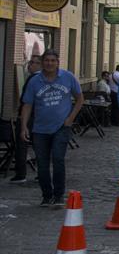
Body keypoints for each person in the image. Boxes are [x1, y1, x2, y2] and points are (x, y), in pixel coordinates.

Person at [20, 50, 84, 207]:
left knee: (58, 159)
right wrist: (23, 127)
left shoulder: (67, 77)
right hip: (40, 129)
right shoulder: (35, 81)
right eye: (46, 60)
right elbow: (27, 105)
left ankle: (58, 195)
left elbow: (80, 98)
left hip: (61, 127)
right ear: (42, 62)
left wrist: (70, 119)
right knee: (42, 164)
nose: (49, 63)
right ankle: (46, 195)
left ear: (57, 62)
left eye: (52, 60)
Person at [10, 54, 41, 184]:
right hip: (38, 117)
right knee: (38, 147)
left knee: (22, 145)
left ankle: (21, 173)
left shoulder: (33, 79)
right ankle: (41, 173)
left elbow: (26, 100)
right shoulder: (44, 79)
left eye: (32, 63)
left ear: (39, 64)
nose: (29, 65)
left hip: (29, 117)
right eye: (29, 62)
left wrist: (22, 115)